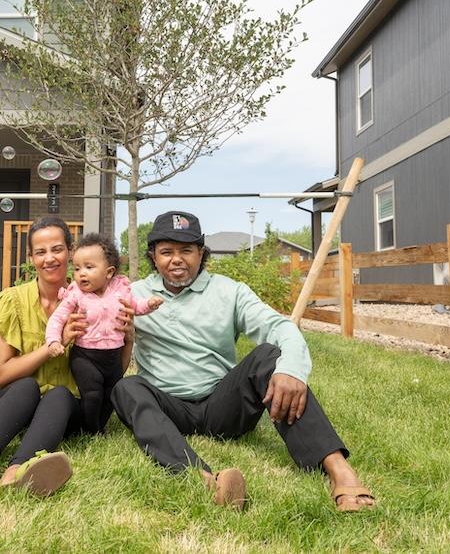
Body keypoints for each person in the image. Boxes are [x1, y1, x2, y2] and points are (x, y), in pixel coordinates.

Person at [111, 211, 376, 512]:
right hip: (167, 407)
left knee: (269, 357)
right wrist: (126, 338)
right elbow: (107, 354)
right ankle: (202, 478)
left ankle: (339, 470)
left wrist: (291, 370)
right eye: (166, 252)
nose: (177, 259)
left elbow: (281, 328)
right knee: (127, 387)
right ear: (153, 256)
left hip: (222, 406)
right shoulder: (132, 295)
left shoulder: (230, 291)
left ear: (201, 253)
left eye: (186, 250)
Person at [0, 217, 126, 499]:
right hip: (15, 405)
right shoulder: (14, 300)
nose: (49, 258)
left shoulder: (95, 301)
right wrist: (55, 343)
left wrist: (130, 334)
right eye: (40, 252)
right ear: (31, 257)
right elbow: (2, 375)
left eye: (57, 249)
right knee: (27, 386)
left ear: (70, 251)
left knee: (60, 395)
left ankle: (16, 470)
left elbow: (114, 371)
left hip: (62, 414)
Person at [44, 233, 161, 433]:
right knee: (93, 394)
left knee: (111, 394)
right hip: (86, 356)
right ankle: (91, 429)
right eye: (77, 268)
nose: (81, 273)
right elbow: (57, 318)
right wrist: (54, 341)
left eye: (89, 267)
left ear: (109, 272)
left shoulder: (120, 290)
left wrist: (149, 304)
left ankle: (100, 425)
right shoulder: (76, 295)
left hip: (113, 356)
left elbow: (135, 306)